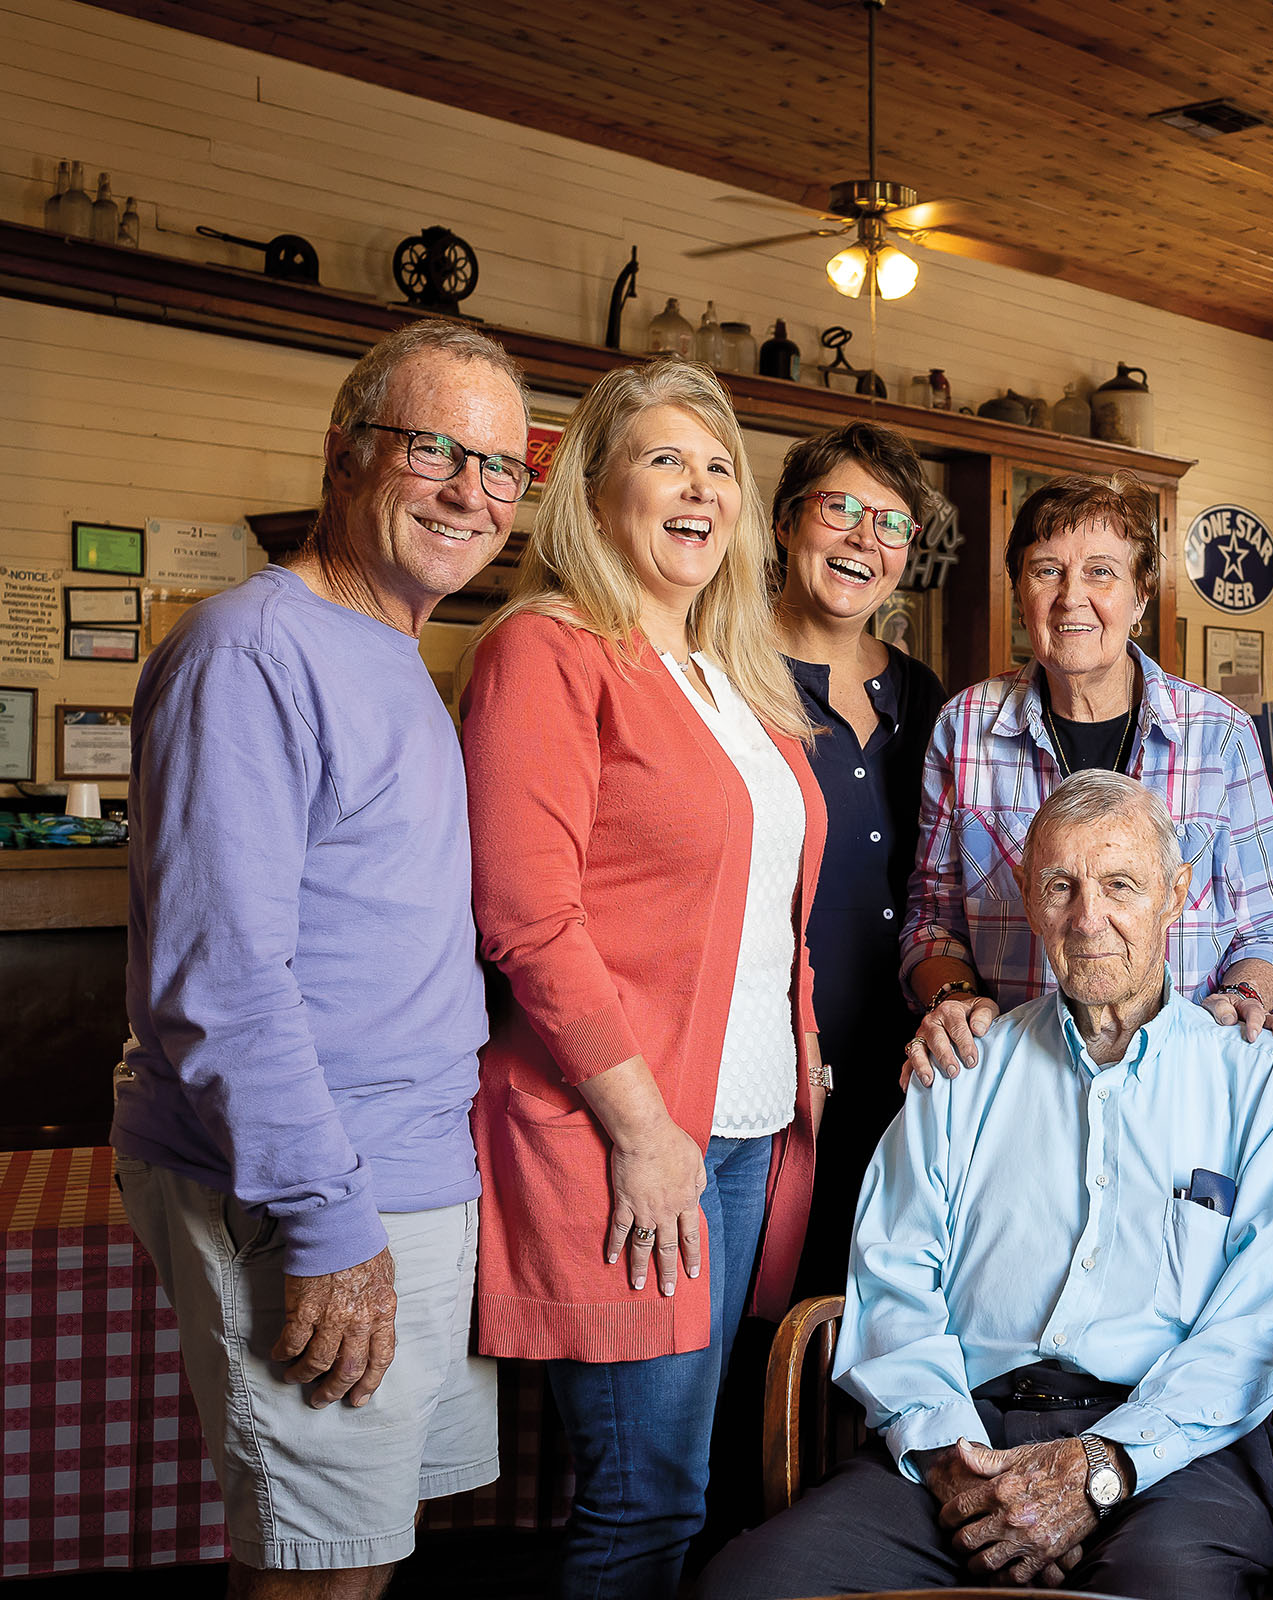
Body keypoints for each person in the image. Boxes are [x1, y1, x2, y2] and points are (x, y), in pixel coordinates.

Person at [112, 320, 531, 1592]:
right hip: (315, 1183)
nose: (471, 491)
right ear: (346, 453)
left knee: (363, 1551)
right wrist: (326, 1216)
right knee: (312, 1569)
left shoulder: (397, 648)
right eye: (435, 450)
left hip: (408, 1163)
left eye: (503, 466)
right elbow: (221, 980)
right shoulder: (247, 648)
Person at [700, 771, 1273, 1600]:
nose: (1088, 918)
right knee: (747, 1587)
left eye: (1121, 885)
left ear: (1176, 895)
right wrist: (953, 1465)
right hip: (967, 1432)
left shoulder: (1269, 1086)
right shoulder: (961, 1069)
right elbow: (892, 1279)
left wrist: (1099, 1468)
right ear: (1031, 905)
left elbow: (1255, 1327)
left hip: (1176, 1452)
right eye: (1060, 887)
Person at [460, 357, 826, 1600]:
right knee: (645, 1504)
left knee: (696, 1484)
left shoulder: (738, 676)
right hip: (631, 1135)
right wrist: (642, 1127)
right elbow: (525, 913)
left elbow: (757, 908)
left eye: (721, 465)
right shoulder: (549, 649)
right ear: (595, 490)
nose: (700, 486)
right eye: (665, 458)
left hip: (740, 1130)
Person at [901, 474, 1273, 1086]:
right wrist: (953, 997)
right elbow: (932, 919)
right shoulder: (964, 728)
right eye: (1046, 572)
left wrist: (1246, 994)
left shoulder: (1218, 735)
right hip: (1013, 1080)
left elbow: (1268, 927)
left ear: (1140, 599)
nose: (1071, 598)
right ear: (1019, 595)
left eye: (1100, 572)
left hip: (1182, 1079)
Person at [765, 422, 947, 1294]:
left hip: (902, 1069)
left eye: (891, 523)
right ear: (785, 523)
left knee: (875, 1315)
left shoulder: (922, 693)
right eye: (839, 508)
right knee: (756, 1329)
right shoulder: (726, 673)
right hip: (770, 1065)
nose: (863, 538)